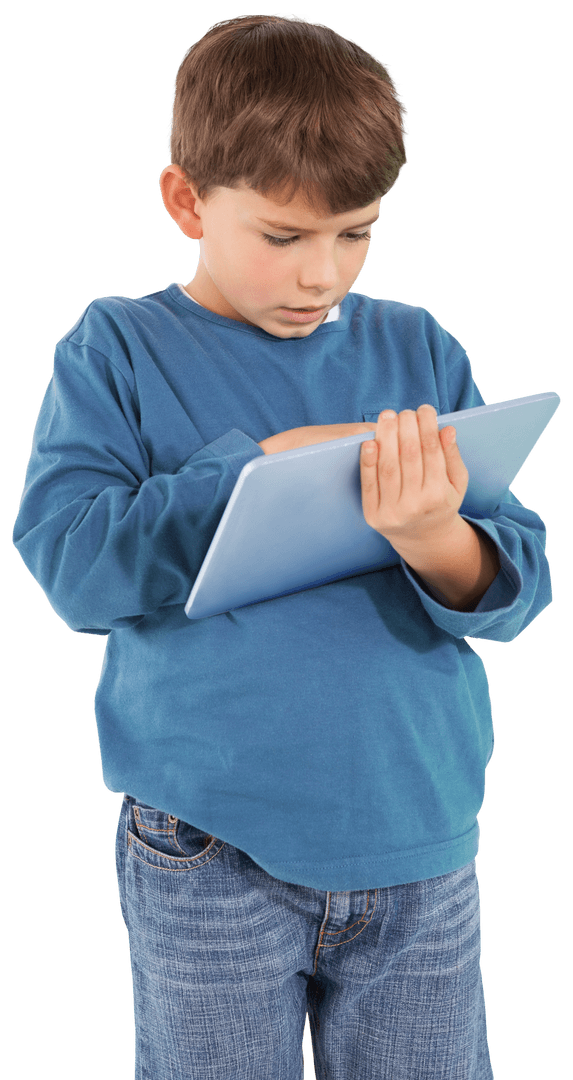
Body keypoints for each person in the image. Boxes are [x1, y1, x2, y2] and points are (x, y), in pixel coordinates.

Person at [12, 13, 553, 1080]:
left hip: (420, 834)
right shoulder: (117, 348)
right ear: (186, 201)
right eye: (283, 236)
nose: (322, 275)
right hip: (209, 848)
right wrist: (254, 467)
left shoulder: (418, 346)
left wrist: (432, 533)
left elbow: (518, 580)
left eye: (355, 233)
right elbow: (72, 562)